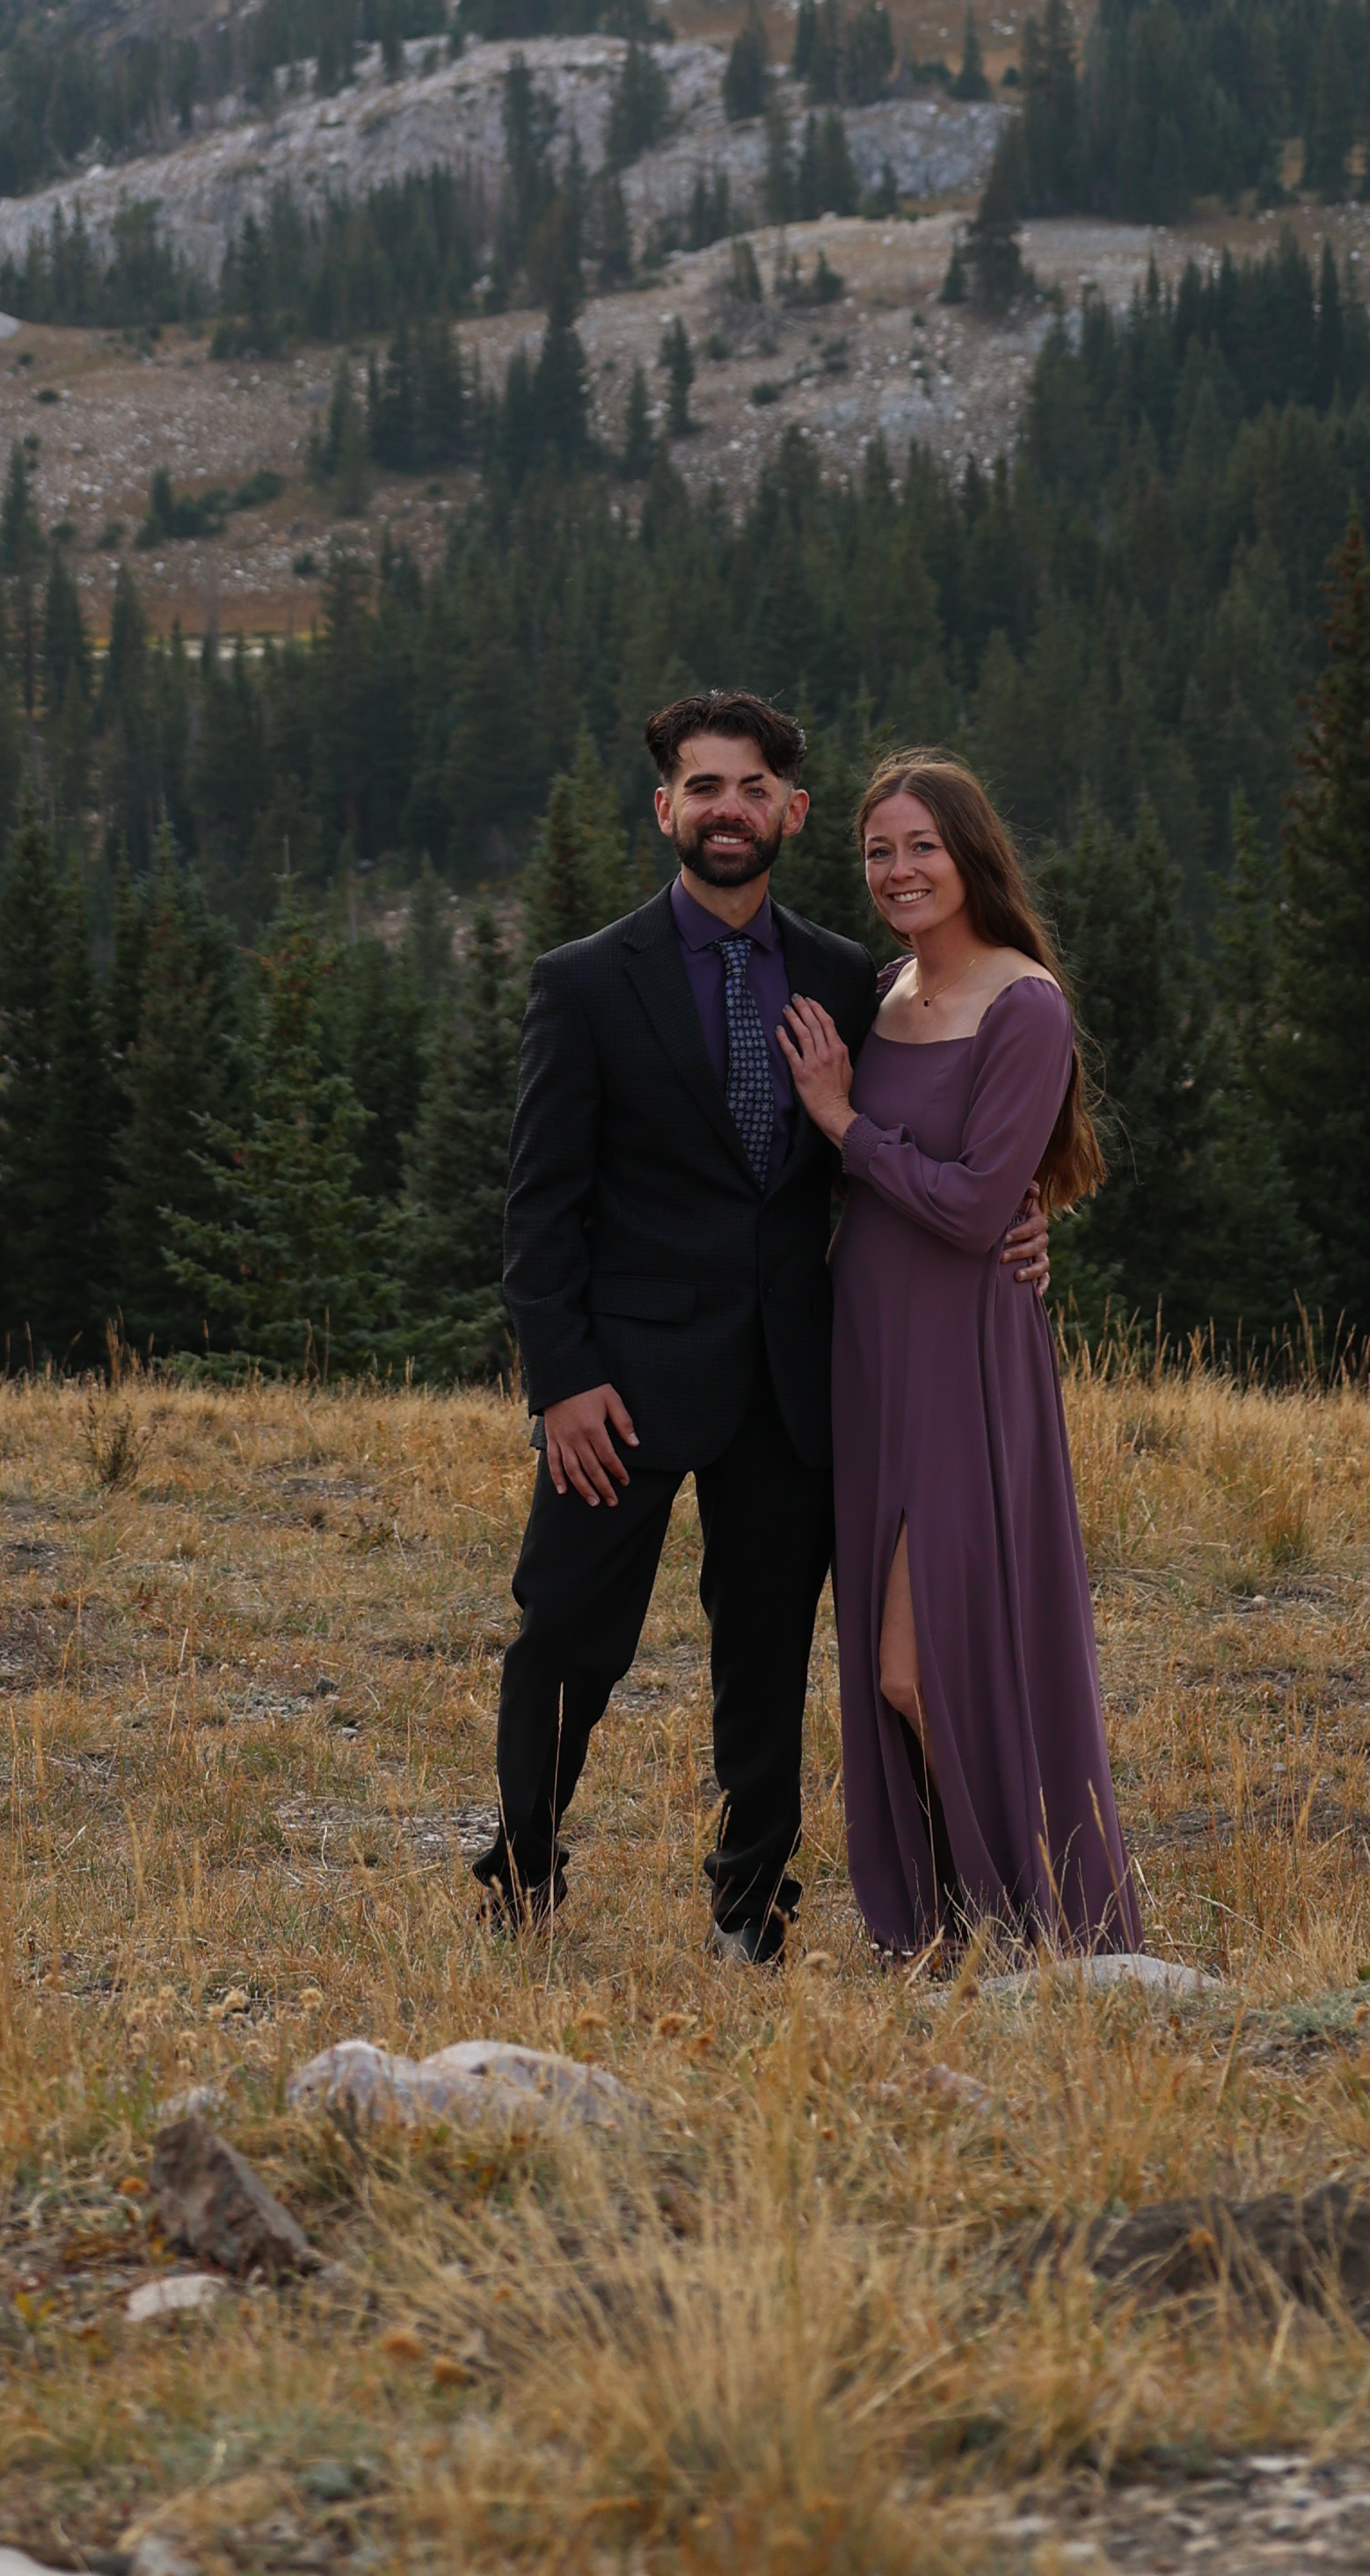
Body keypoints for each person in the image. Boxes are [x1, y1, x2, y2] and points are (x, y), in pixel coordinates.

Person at [481, 689, 1053, 1962]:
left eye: (752, 789)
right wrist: (561, 1379)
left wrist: (1025, 1217)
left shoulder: (852, 980)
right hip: (618, 1388)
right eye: (703, 786)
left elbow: (930, 1134)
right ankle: (522, 1871)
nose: (727, 810)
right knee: (566, 1636)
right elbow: (539, 1208)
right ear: (665, 809)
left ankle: (750, 1908)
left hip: (798, 1382)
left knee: (770, 1656)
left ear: (791, 812)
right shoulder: (584, 984)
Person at [776, 748, 1144, 1959]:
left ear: (970, 854)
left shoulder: (1025, 1004)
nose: (898, 870)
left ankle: (1033, 1917)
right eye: (878, 851)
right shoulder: (883, 993)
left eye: (921, 847)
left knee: (921, 1667)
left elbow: (981, 1206)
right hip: (869, 1352)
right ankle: (949, 1926)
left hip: (965, 1359)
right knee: (897, 1670)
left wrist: (843, 1121)